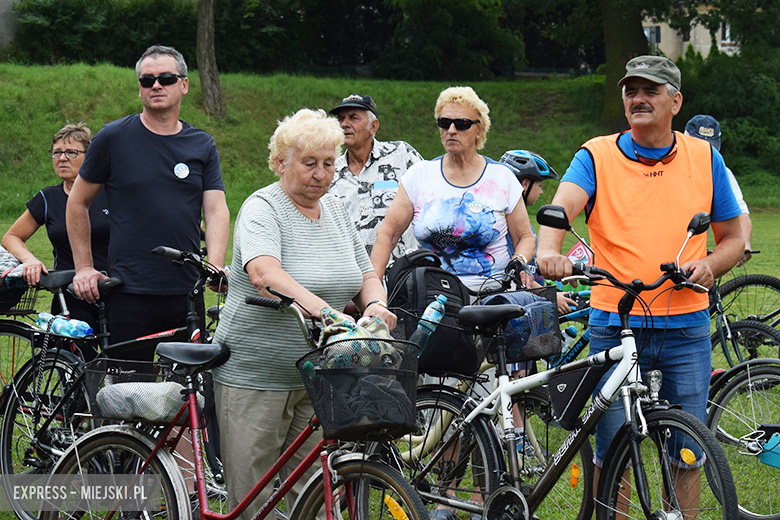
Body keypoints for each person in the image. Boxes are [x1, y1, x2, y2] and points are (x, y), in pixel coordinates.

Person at [536, 55, 744, 497]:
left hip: (686, 326)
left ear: (675, 102)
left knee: (688, 451)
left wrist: (709, 265)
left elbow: (734, 237)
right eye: (631, 90)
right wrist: (547, 250)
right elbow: (562, 210)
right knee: (612, 450)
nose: (638, 98)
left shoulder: (704, 157)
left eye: (650, 90)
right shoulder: (596, 154)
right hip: (615, 322)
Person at [211, 108, 395, 519]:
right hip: (256, 375)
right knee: (252, 497)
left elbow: (365, 271)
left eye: (329, 163)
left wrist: (377, 304)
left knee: (313, 490)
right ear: (280, 162)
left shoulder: (333, 211)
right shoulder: (263, 208)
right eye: (309, 163)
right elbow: (263, 272)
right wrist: (324, 310)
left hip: (316, 373)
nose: (321, 174)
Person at [67, 45, 229, 356]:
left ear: (183, 84)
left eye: (166, 78)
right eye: (147, 80)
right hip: (128, 291)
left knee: (188, 395)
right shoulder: (112, 138)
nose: (156, 85)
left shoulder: (202, 144)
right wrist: (84, 267)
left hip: (187, 292)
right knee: (128, 395)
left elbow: (216, 208)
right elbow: (76, 203)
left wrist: (215, 267)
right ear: (140, 89)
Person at [371, 86, 536, 292]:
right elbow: (388, 234)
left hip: (494, 296)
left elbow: (524, 237)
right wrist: (373, 291)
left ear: (480, 129)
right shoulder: (418, 175)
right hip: (433, 295)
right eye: (444, 122)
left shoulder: (501, 177)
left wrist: (519, 261)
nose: (451, 130)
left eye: (462, 124)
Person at [2, 123, 109, 330]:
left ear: (90, 156)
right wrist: (29, 260)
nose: (62, 158)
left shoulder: (111, 193)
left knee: (117, 359)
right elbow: (11, 237)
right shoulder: (47, 198)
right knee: (74, 360)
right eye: (57, 152)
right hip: (69, 295)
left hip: (113, 290)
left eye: (71, 152)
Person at [328, 93, 423, 260]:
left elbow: (433, 197)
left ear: (373, 127)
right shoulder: (330, 171)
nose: (344, 124)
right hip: (352, 277)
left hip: (402, 275)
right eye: (341, 119)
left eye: (353, 118)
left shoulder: (401, 155)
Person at [498, 149, 575, 314]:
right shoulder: (507, 226)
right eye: (540, 185)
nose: (541, 192)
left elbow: (530, 266)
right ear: (525, 185)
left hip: (530, 299)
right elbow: (515, 275)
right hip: (520, 306)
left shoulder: (520, 220)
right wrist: (550, 296)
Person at [685, 114, 753, 265]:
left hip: (695, 258)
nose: (705, 152)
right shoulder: (667, 164)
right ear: (685, 138)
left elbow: (739, 211)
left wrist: (744, 244)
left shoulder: (721, 171)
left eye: (711, 147)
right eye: (699, 145)